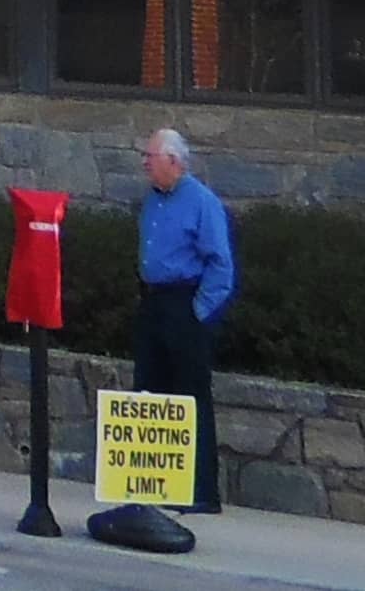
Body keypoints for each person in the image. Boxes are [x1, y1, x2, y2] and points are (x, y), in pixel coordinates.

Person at [134, 127, 236, 513]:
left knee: (189, 399)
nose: (145, 163)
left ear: (173, 162)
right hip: (153, 302)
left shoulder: (201, 202)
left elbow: (220, 265)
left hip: (184, 303)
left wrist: (197, 314)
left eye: (151, 156)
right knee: (149, 391)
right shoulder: (152, 201)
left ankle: (200, 492)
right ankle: (153, 485)